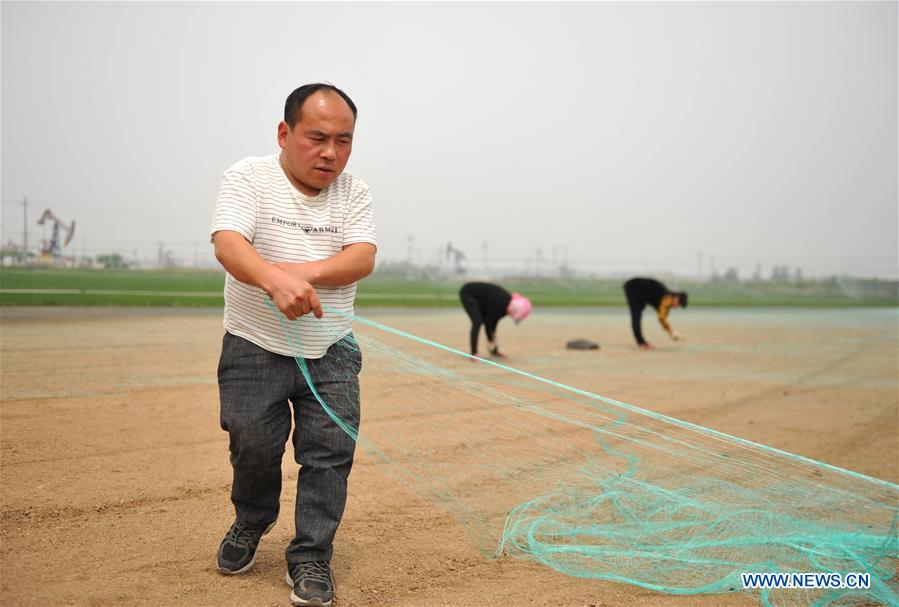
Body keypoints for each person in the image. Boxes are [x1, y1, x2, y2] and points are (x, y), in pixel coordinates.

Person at [210, 83, 377, 607]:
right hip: (253, 344)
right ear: (285, 133)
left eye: (344, 140)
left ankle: (311, 556)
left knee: (330, 454)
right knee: (252, 445)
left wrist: (301, 273)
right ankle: (252, 519)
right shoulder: (248, 177)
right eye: (318, 137)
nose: (331, 152)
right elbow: (228, 242)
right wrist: (271, 281)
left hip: (331, 350)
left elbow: (361, 256)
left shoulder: (354, 193)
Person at [459, 282, 532, 357]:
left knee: (488, 324)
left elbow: (493, 324)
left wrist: (492, 343)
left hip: (481, 299)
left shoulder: (506, 305)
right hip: (468, 293)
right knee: (477, 321)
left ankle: (494, 351)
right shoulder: (502, 304)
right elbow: (489, 324)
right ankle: (473, 353)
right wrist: (490, 340)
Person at [623, 277, 688, 350]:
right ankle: (641, 342)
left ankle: (641, 342)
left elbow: (662, 317)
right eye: (678, 303)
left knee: (638, 313)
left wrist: (671, 332)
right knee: (636, 314)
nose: (676, 306)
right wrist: (671, 332)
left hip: (640, 292)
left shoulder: (667, 298)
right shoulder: (667, 298)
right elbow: (661, 317)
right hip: (634, 287)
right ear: (676, 297)